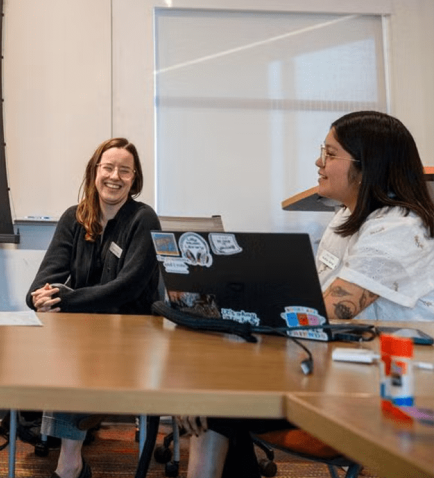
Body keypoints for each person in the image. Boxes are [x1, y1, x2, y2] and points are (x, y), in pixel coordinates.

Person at [181, 110, 434, 478]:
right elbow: (308, 300)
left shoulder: (397, 228)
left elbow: (326, 311)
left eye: (331, 154)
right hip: (343, 367)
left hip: (391, 390)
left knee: (219, 397)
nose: (319, 161)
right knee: (218, 391)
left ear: (368, 167)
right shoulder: (346, 219)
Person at [25, 137, 161, 478]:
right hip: (84, 333)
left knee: (73, 352)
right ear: (94, 172)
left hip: (132, 334)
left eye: (125, 170)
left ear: (135, 179)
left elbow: (127, 288)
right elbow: (40, 285)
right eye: (108, 167)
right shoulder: (74, 218)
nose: (115, 176)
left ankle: (69, 464)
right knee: (65, 347)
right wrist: (43, 299)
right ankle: (70, 461)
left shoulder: (144, 220)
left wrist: (65, 299)